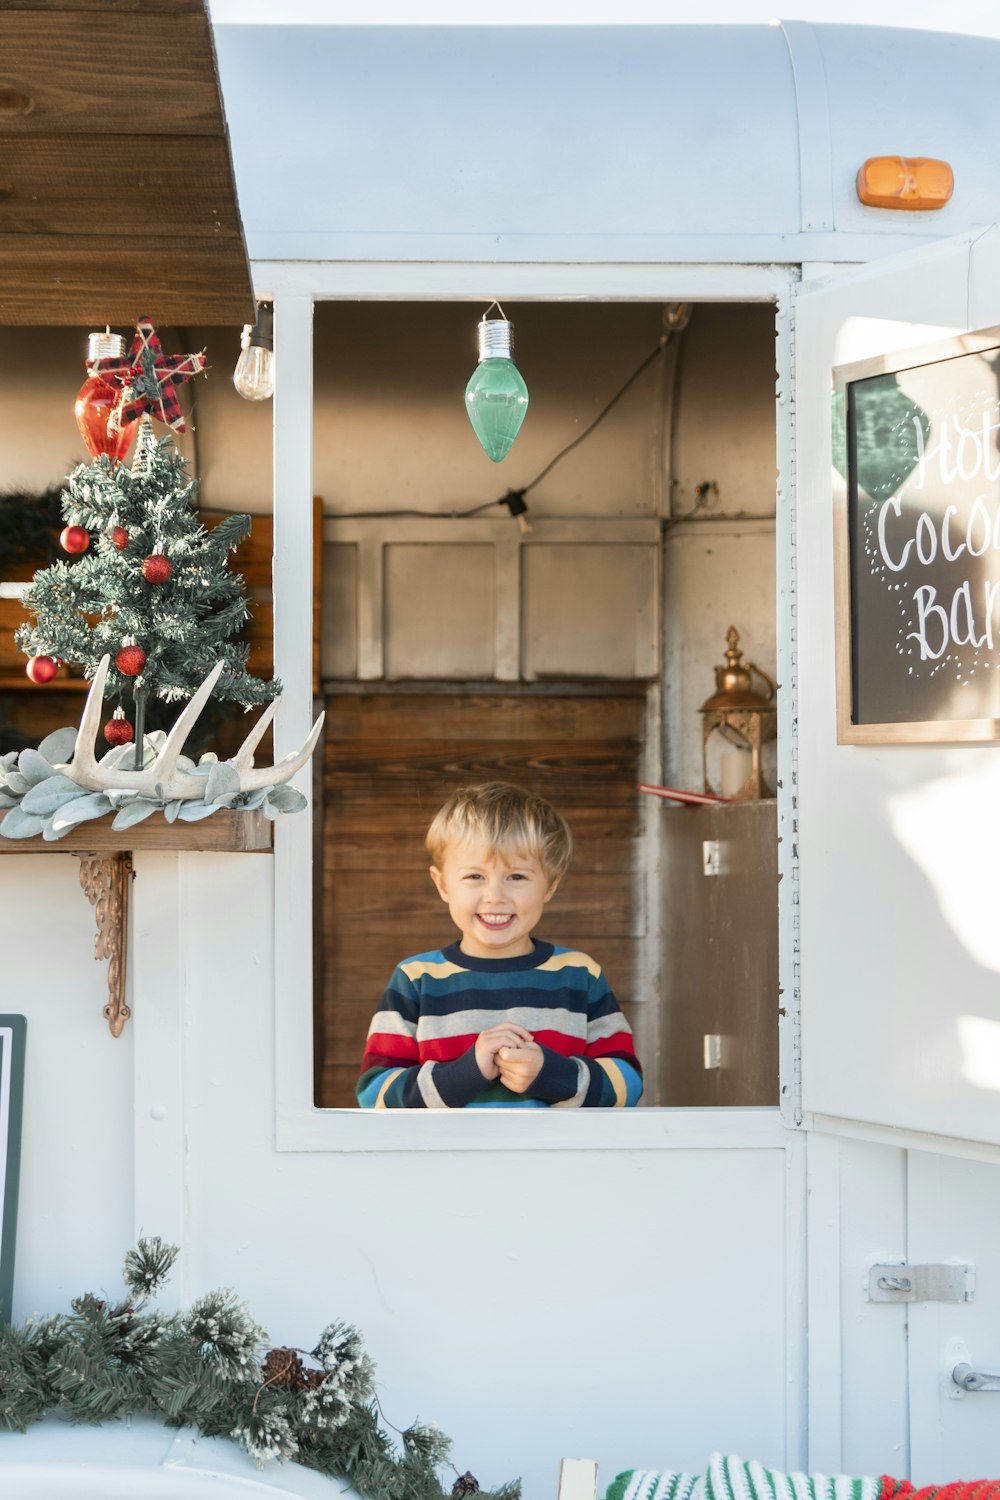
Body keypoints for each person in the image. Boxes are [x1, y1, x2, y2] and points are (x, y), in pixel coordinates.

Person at [356, 781, 643, 1109]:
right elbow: (375, 1096)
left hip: (555, 1160)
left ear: (550, 886)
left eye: (517, 877)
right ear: (443, 884)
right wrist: (467, 1071)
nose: (495, 896)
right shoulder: (416, 980)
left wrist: (552, 1075)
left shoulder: (579, 975)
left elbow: (628, 1085)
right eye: (475, 877)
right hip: (444, 1160)